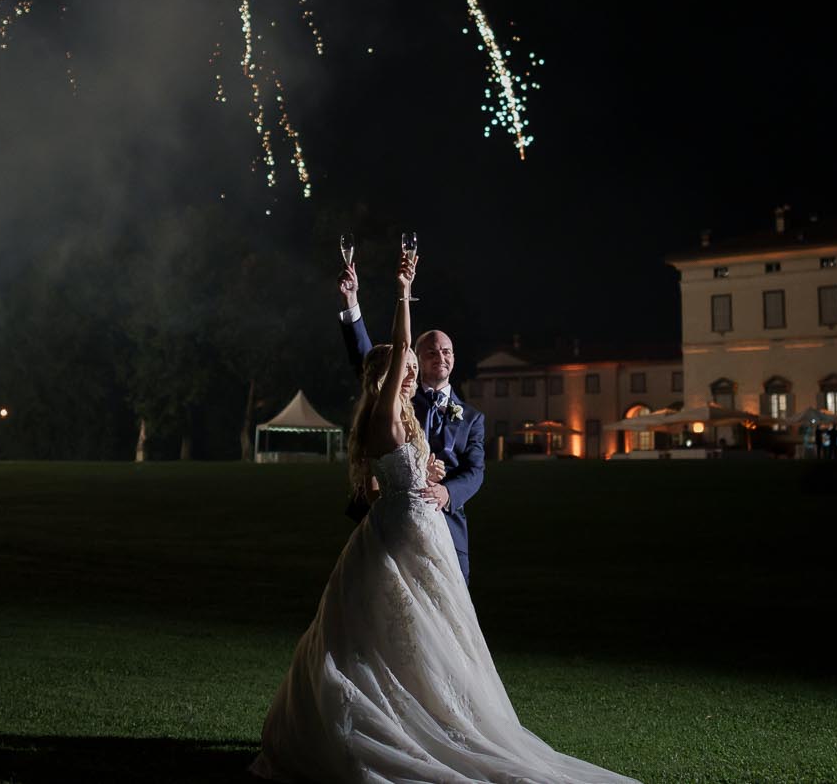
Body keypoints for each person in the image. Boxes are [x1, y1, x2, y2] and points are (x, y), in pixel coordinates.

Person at [255, 253, 639, 784]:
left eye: (432, 358)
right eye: (412, 361)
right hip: (398, 536)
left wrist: (433, 474)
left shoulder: (446, 414)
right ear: (397, 369)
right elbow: (383, 357)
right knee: (393, 637)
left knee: (436, 641)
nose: (416, 369)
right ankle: (402, 725)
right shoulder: (388, 403)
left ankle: (434, 718)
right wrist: (397, 294)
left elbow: (470, 472)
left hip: (434, 533)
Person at [337, 254, 486, 583]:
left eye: (446, 351)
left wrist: (446, 492)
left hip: (446, 525)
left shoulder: (472, 418)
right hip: (395, 523)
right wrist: (351, 302)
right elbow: (368, 361)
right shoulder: (399, 399)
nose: (440, 357)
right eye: (431, 351)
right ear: (413, 359)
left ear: (454, 358)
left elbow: (475, 471)